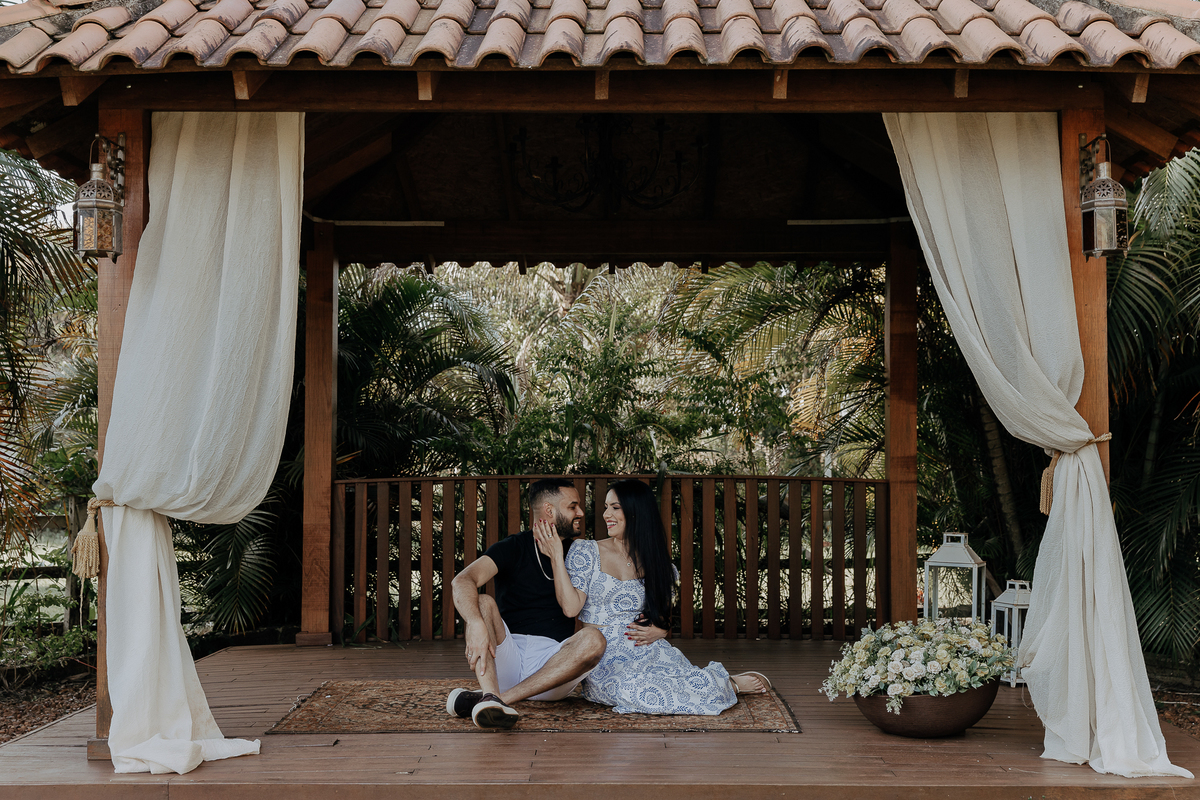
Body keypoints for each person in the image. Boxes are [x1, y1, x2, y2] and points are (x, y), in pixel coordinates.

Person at [535, 478, 770, 715]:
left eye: (615, 507)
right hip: (605, 660)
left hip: (649, 650)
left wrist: (661, 631)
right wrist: (556, 556)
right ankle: (727, 684)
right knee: (638, 689)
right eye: (606, 507)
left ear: (637, 512)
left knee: (678, 678)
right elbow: (570, 608)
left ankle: (725, 683)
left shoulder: (656, 563)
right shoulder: (585, 551)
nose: (607, 514)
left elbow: (661, 616)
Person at [447, 477, 607, 729]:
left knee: (594, 639)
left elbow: (572, 609)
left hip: (554, 666)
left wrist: (556, 555)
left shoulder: (580, 553)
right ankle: (491, 693)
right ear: (549, 510)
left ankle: (495, 699)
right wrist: (476, 623)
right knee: (484, 602)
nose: (581, 512)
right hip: (508, 655)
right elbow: (462, 580)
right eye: (573, 506)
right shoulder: (513, 547)